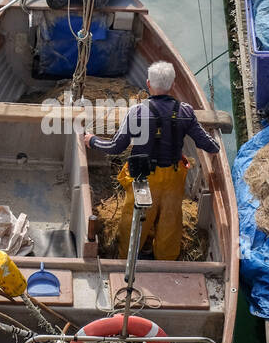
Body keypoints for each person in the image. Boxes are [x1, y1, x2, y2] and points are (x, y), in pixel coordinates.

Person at [83, 60, 220, 262]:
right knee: (170, 223)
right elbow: (211, 146)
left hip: (143, 178)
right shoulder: (185, 112)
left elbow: (115, 147)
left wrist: (92, 140)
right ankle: (166, 262)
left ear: (148, 84)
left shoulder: (137, 112)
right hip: (174, 178)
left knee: (134, 221)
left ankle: (126, 259)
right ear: (173, 85)